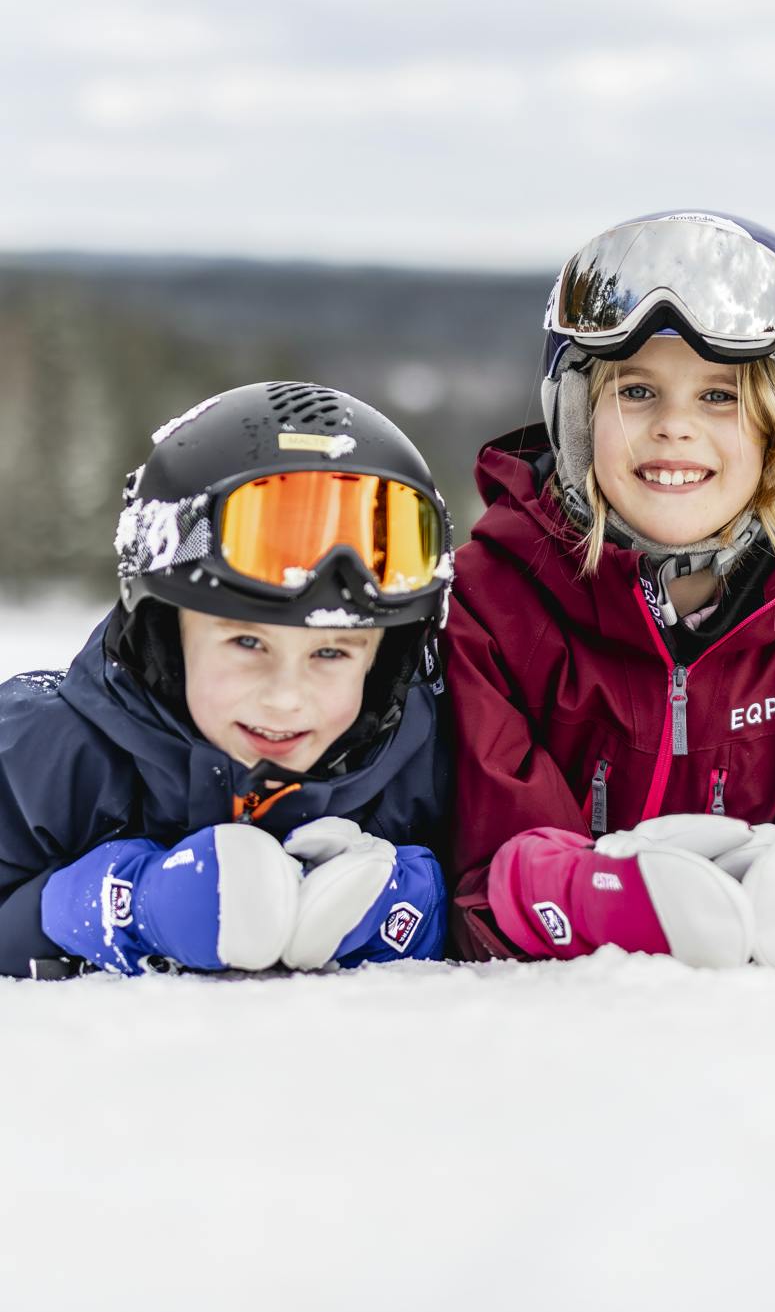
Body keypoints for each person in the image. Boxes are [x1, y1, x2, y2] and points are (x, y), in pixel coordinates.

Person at [442, 210, 775, 975]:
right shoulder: (490, 605)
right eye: (637, 390)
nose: (674, 427)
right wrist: (607, 900)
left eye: (719, 397)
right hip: (546, 1027)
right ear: (578, 415)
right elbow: (481, 881)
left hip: (762, 1041)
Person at [0, 380, 453, 979]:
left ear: (384, 660)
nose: (286, 698)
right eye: (247, 643)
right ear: (165, 635)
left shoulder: (428, 765)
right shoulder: (46, 758)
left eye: (331, 653)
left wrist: (417, 909)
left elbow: (509, 905)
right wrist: (104, 905)